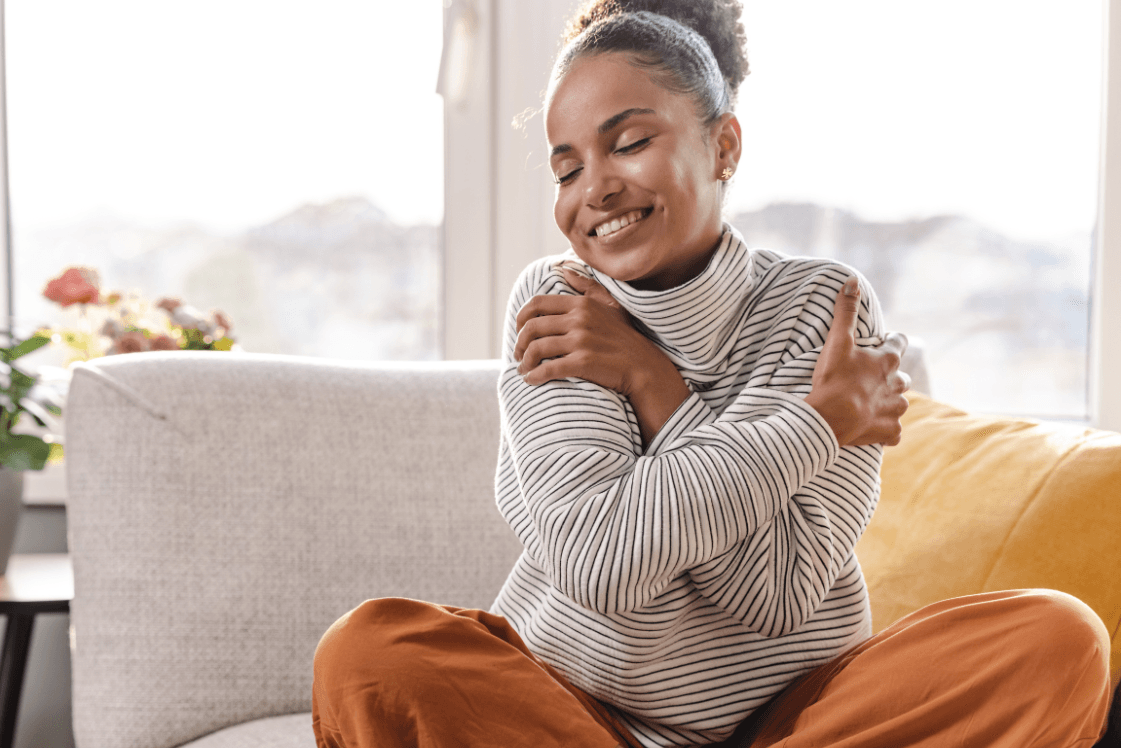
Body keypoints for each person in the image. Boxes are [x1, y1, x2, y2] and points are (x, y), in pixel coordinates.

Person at [311, 1, 1113, 746]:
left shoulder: (819, 307)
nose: (594, 187)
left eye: (627, 143)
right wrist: (815, 426)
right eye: (565, 168)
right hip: (578, 713)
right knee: (372, 653)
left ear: (722, 145)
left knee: (1056, 638)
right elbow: (600, 566)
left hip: (793, 719)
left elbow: (775, 597)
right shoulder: (560, 300)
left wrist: (653, 384)